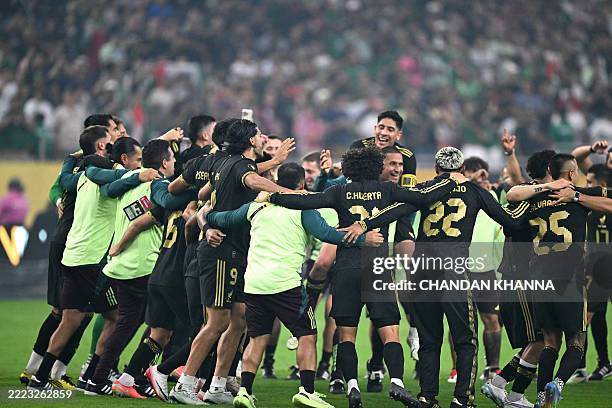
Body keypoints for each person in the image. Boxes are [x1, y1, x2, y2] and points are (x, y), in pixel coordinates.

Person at [264, 146, 462, 408]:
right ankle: (397, 383)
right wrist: (450, 181)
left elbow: (305, 200)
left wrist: (272, 197)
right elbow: (422, 198)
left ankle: (352, 387)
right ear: (377, 167)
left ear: (348, 168)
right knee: (390, 332)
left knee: (346, 335)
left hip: (347, 266)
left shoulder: (339, 191)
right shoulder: (388, 191)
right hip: (378, 266)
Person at [350, 147, 529, 408]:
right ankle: (462, 399)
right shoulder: (475, 190)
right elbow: (511, 221)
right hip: (453, 269)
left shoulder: (425, 189)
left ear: (435, 168)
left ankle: (427, 397)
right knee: (465, 339)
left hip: (422, 271)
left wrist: (364, 224)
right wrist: (536, 196)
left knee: (429, 339)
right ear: (461, 169)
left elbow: (395, 210)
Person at [204, 162, 382, 407]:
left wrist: (207, 218)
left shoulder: (255, 207)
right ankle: (307, 391)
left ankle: (244, 391)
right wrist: (364, 239)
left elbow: (221, 217)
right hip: (285, 284)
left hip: (254, 284)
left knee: (257, 338)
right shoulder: (302, 208)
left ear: (277, 181)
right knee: (307, 334)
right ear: (302, 184)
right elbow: (328, 235)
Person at [170, 119, 293, 405]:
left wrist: (205, 216)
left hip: (236, 250)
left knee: (239, 319)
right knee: (216, 322)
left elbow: (204, 195)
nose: (262, 137)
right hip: (222, 252)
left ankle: (217, 387)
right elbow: (253, 180)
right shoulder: (239, 167)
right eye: (258, 134)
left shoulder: (226, 163)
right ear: (250, 141)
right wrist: (292, 193)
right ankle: (185, 384)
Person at [506, 154, 612, 407]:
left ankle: (543, 399)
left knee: (550, 343)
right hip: (570, 278)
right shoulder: (578, 195)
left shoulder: (535, 198)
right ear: (572, 173)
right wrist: (575, 196)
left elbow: (511, 194)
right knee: (576, 341)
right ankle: (559, 383)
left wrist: (544, 187)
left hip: (540, 279)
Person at [481, 149, 558, 408]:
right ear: (549, 168)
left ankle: (507, 389)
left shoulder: (542, 194)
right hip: (520, 274)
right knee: (540, 339)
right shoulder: (528, 195)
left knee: (537, 339)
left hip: (527, 275)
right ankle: (504, 388)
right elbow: (514, 188)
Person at [350, 110, 417, 188]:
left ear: (398, 135)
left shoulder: (407, 157)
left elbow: (407, 192)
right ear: (375, 129)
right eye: (381, 127)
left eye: (390, 129)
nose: (383, 133)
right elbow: (352, 184)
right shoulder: (359, 148)